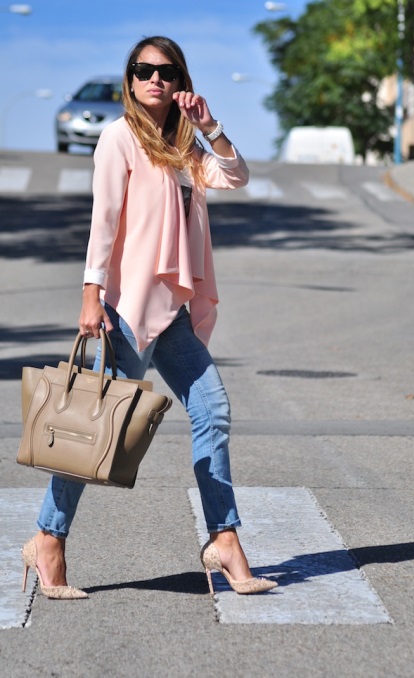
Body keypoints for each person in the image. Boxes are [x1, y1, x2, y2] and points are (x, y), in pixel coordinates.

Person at [21, 35, 277, 599]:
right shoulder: (119, 138)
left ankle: (224, 539)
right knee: (95, 430)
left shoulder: (185, 147)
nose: (154, 78)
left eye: (166, 71)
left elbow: (235, 175)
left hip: (173, 312)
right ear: (131, 80)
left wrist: (210, 126)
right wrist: (91, 293)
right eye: (143, 70)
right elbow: (104, 220)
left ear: (181, 81)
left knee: (212, 411)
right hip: (129, 308)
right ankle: (48, 538)